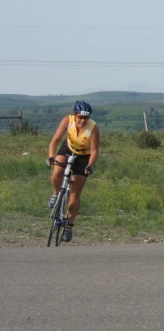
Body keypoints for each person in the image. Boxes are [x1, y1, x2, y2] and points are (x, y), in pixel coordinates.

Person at [46, 101, 100, 242]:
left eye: (86, 118)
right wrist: (51, 156)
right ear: (74, 115)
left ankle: (69, 227)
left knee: (75, 192)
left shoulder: (93, 128)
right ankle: (55, 193)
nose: (82, 121)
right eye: (80, 117)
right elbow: (55, 140)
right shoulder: (67, 120)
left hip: (84, 156)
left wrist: (89, 165)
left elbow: (94, 151)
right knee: (58, 168)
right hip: (68, 149)